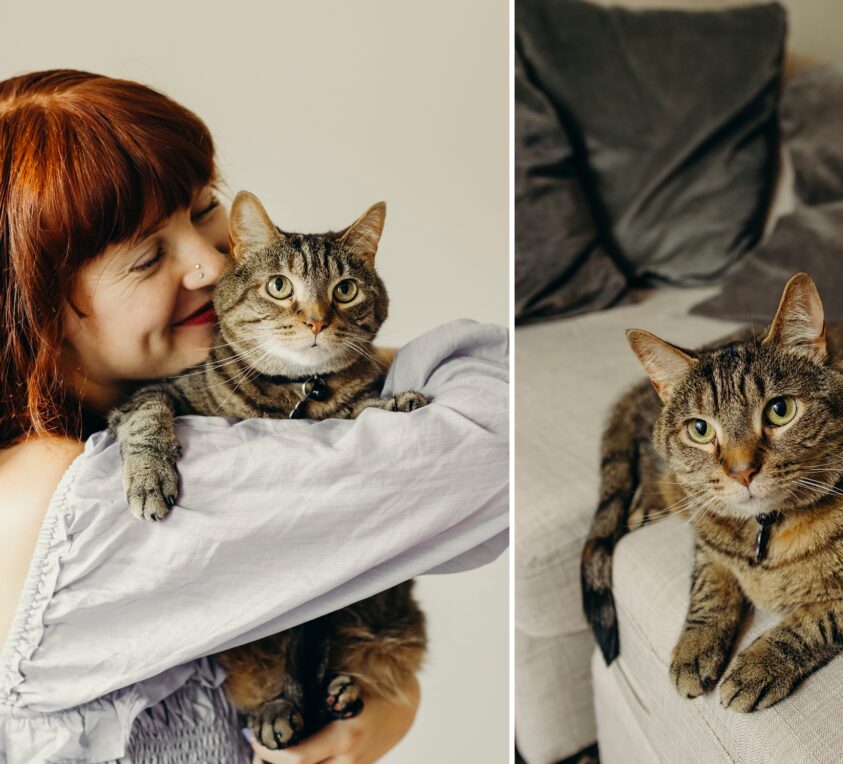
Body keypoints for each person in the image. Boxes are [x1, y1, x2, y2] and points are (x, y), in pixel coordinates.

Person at [0, 70, 508, 764]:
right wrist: (350, 359)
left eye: (206, 209)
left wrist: (383, 705)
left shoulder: (108, 426)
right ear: (32, 315)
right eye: (148, 256)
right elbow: (494, 443)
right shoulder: (60, 494)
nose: (213, 264)